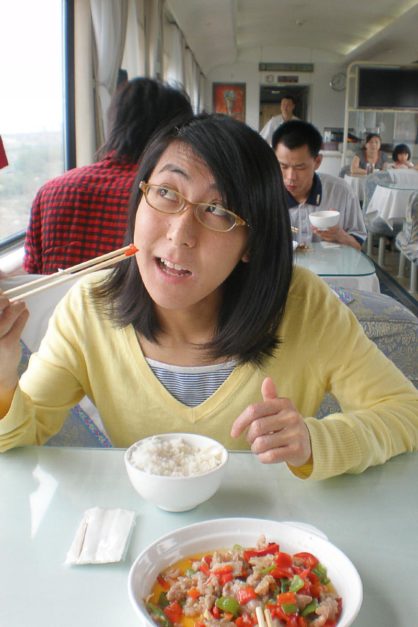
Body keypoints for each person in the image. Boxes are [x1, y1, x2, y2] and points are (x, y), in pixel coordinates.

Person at [0, 114, 417, 481]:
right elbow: (22, 434)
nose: (180, 232)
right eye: (166, 192)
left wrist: (316, 440)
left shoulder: (304, 306)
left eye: (218, 211)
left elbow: (406, 412)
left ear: (251, 242)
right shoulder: (90, 306)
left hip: (267, 546)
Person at [22, 77, 193, 274]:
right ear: (170, 135)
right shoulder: (159, 197)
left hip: (57, 306)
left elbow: (32, 274)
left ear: (115, 124)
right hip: (131, 306)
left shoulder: (49, 192)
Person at [272, 120, 367, 250]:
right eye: (283, 166)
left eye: (300, 167)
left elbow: (358, 247)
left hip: (329, 269)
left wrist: (339, 235)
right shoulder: (265, 194)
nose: (290, 177)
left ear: (317, 162)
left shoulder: (341, 192)